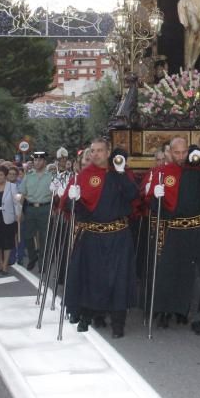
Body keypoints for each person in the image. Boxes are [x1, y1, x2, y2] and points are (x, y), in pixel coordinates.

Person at [64, 137, 139, 338]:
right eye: (93, 150)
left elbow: (133, 196)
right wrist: (73, 198)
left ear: (108, 152)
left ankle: (118, 324)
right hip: (93, 236)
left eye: (100, 150)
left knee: (119, 279)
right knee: (92, 278)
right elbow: (72, 208)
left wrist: (121, 173)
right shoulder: (84, 175)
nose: (96, 154)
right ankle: (87, 316)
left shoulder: (121, 174)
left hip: (118, 236)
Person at [147, 137, 200, 335]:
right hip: (175, 230)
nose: (180, 157)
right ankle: (168, 310)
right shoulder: (163, 173)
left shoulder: (199, 170)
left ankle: (194, 316)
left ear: (188, 151)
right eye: (176, 153)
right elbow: (155, 208)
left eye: (183, 152)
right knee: (171, 271)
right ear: (170, 152)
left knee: (197, 274)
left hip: (198, 229)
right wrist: (156, 195)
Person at [19, 151, 55, 273]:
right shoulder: (28, 176)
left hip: (45, 208)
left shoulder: (51, 176)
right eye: (35, 160)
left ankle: (42, 263)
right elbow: (22, 194)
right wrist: (19, 211)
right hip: (30, 208)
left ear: (44, 162)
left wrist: (54, 209)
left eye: (40, 160)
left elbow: (55, 195)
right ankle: (33, 256)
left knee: (45, 238)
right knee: (27, 236)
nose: (37, 162)